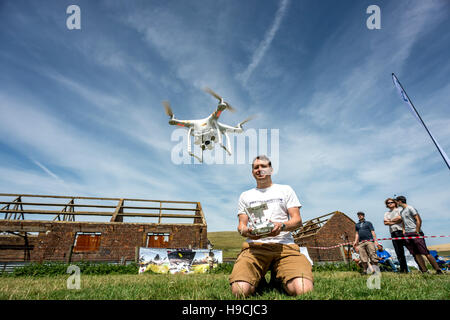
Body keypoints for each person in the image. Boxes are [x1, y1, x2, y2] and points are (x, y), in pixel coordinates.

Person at [229, 155, 313, 297]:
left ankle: (278, 278)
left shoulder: (285, 190)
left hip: (284, 246)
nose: (259, 169)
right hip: (255, 247)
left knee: (303, 289)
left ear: (271, 170)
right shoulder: (245, 195)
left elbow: (297, 221)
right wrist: (248, 232)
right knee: (240, 291)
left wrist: (282, 226)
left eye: (263, 166)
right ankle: (258, 278)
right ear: (252, 172)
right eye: (256, 167)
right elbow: (241, 227)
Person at [395, 196, 443, 274]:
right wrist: (404, 231)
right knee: (416, 253)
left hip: (415, 233)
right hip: (407, 234)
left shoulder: (410, 208)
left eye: (396, 201)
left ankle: (438, 270)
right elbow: (403, 222)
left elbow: (418, 220)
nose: (396, 203)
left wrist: (417, 231)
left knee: (425, 252)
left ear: (400, 201)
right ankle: (424, 271)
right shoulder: (402, 212)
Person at [383, 197, 409, 273]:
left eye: (391, 202)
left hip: (401, 231)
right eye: (388, 203)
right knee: (399, 252)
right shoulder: (386, 213)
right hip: (393, 233)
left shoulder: (399, 210)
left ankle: (421, 268)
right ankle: (403, 270)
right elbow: (385, 222)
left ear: (395, 203)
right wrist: (395, 221)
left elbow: (400, 218)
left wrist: (390, 221)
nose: (390, 204)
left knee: (411, 250)